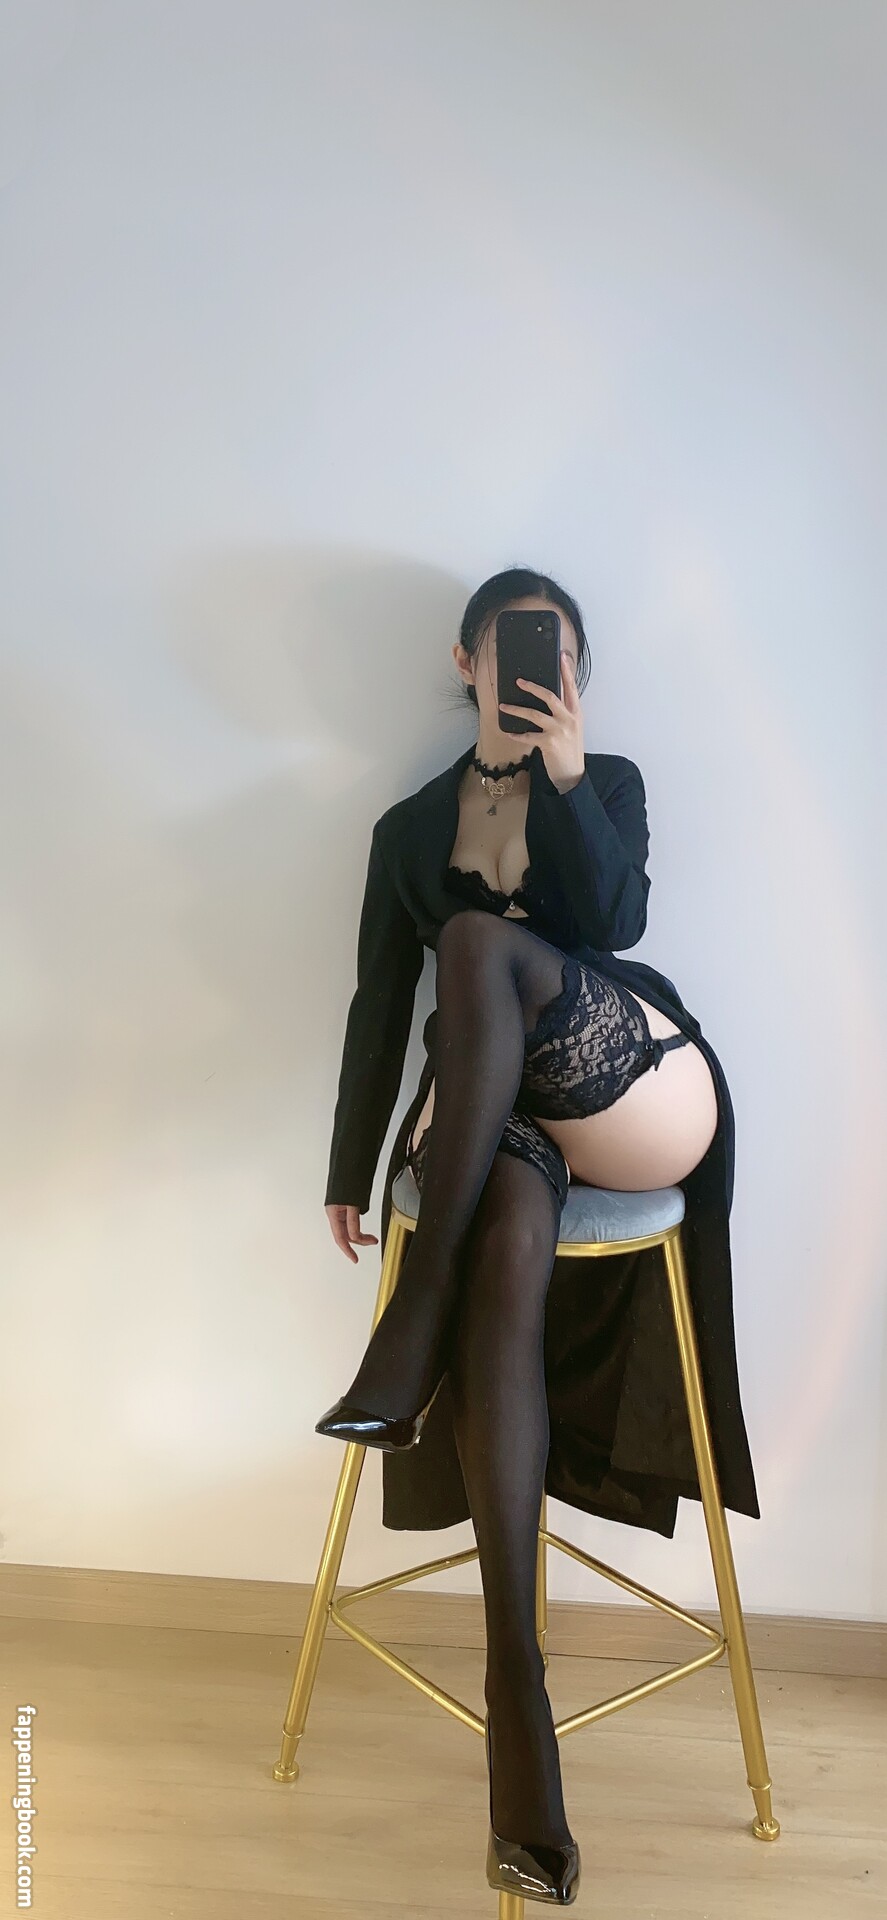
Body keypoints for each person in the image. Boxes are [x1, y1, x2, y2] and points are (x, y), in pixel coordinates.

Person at [315, 567, 722, 1905]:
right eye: (516, 650)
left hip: (630, 1087)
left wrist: (566, 777)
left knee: (479, 944)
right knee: (502, 1235)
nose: (543, 671)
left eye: (561, 657)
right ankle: (518, 1708)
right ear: (469, 659)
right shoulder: (405, 829)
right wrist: (347, 1170)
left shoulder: (609, 783)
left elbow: (616, 925)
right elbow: (380, 1006)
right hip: (502, 1124)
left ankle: (408, 1324)